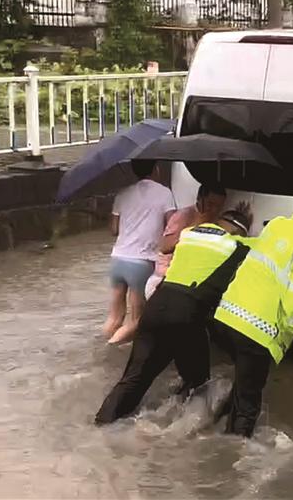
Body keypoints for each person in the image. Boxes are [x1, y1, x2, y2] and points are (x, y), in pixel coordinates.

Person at [94, 208, 253, 425]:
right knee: (199, 381)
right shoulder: (238, 247)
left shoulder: (190, 234)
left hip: (156, 306)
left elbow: (165, 247)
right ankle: (186, 432)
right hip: (187, 313)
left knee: (134, 378)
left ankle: (101, 425)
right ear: (240, 232)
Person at [213, 201, 293, 437]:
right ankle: (231, 458)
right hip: (256, 332)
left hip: (225, 318)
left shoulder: (276, 227)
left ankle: (212, 425)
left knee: (243, 384)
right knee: (248, 403)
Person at [103, 160, 176, 345]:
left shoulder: (122, 193)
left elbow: (113, 230)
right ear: (156, 169)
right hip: (141, 262)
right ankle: (111, 347)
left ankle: (105, 346)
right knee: (136, 320)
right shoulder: (164, 193)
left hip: (118, 259)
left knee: (114, 317)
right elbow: (172, 226)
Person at [144, 184, 228, 300]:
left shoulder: (215, 220)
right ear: (199, 199)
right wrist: (194, 229)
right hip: (164, 281)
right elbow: (164, 247)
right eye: (210, 204)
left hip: (184, 283)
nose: (214, 210)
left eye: (218, 207)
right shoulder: (184, 216)